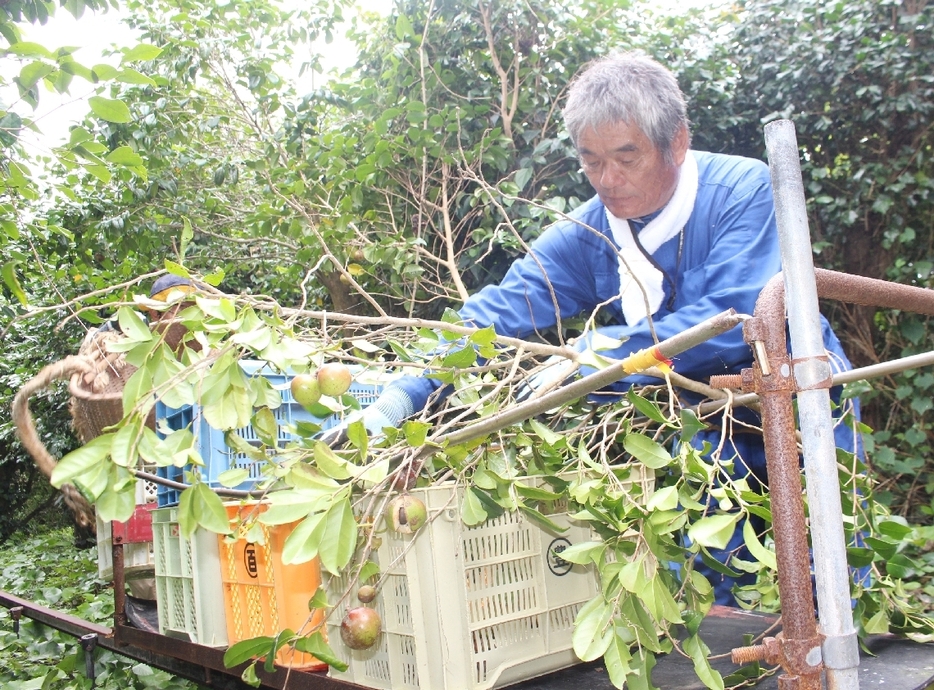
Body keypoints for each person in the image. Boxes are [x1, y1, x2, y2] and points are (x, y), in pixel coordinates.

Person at [329, 53, 861, 605]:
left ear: (676, 143)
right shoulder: (586, 235)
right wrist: (407, 390)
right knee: (717, 586)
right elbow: (494, 316)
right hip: (700, 420)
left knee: (832, 567)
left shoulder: (739, 191)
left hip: (799, 395)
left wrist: (600, 350)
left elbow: (736, 317)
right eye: (591, 162)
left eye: (626, 157)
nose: (608, 180)